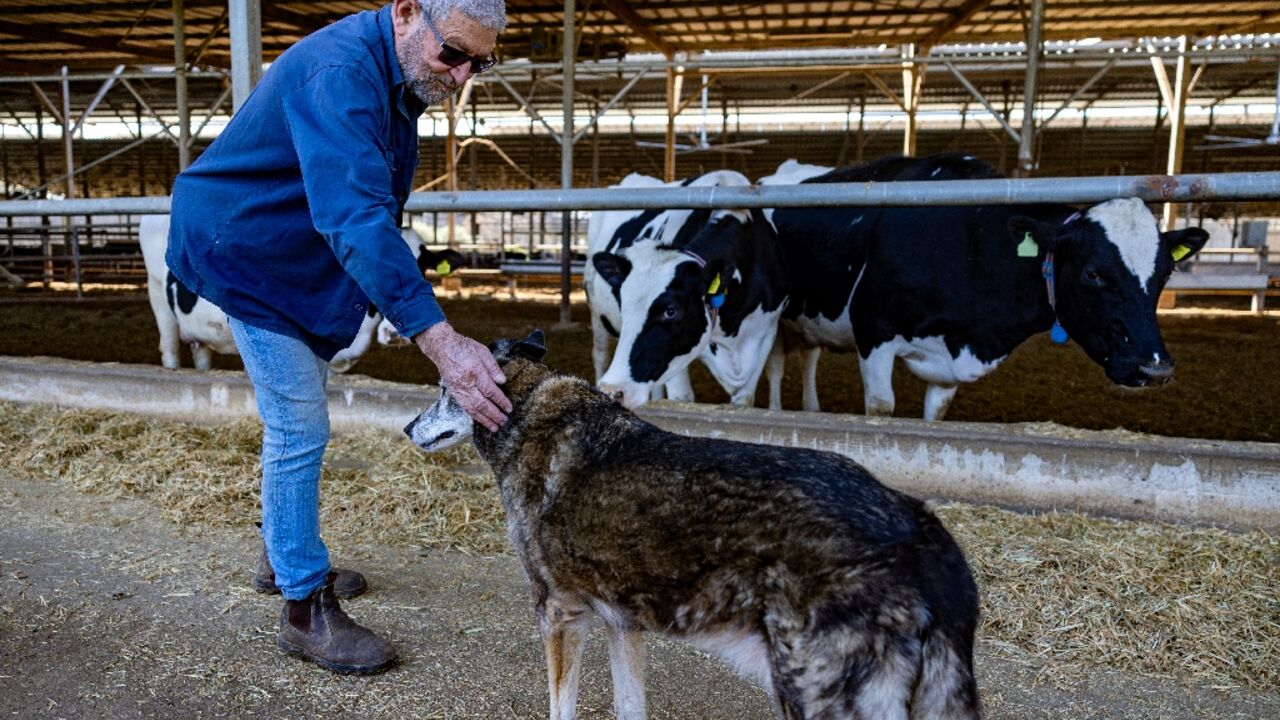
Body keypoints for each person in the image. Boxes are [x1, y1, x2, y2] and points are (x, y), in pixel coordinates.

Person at [166, 0, 511, 675]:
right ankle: (303, 611)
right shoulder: (339, 71)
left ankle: (282, 552)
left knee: (294, 417)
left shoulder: (402, 67)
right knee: (300, 425)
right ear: (410, 12)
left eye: (481, 62)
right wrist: (441, 343)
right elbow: (353, 214)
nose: (465, 75)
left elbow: (360, 204)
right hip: (247, 247)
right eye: (455, 55)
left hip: (292, 248)